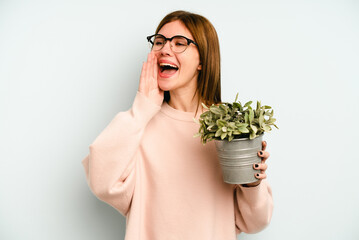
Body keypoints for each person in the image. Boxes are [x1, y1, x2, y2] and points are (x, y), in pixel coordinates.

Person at [82, 10, 273, 240]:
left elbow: (255, 222)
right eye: (159, 42)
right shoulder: (139, 125)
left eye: (179, 43)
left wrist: (252, 185)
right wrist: (141, 110)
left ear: (202, 59)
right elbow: (101, 182)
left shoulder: (228, 130)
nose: (164, 49)